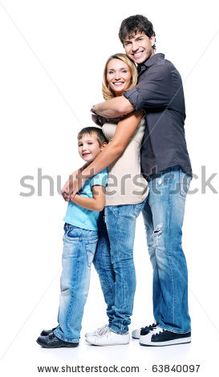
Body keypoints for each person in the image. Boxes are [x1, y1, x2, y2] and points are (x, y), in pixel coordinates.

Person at [64, 15, 192, 347]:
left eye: (139, 39)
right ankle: (165, 320)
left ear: (153, 39)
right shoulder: (143, 76)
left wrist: (96, 108)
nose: (134, 47)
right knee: (155, 249)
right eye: (127, 43)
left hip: (169, 170)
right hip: (152, 175)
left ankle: (177, 325)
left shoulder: (162, 71)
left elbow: (121, 109)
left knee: (166, 247)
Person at [86, 53, 149, 346]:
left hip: (126, 192)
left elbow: (116, 148)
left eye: (123, 70)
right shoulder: (112, 111)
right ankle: (114, 320)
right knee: (102, 257)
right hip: (107, 193)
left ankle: (121, 328)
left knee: (121, 260)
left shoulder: (134, 107)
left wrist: (80, 175)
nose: (117, 76)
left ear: (132, 74)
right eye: (111, 71)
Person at [36, 127, 108, 348]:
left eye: (89, 143)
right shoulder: (86, 169)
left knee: (74, 286)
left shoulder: (98, 172)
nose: (84, 148)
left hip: (82, 233)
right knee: (68, 284)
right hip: (74, 231)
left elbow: (98, 204)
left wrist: (73, 197)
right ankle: (64, 326)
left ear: (103, 147)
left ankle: (68, 334)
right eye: (80, 144)